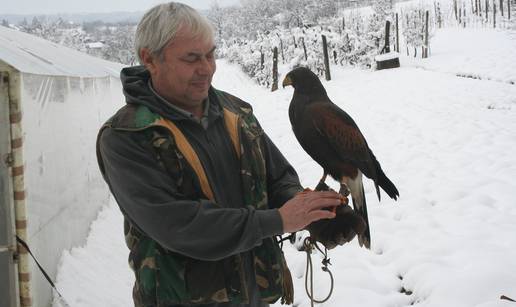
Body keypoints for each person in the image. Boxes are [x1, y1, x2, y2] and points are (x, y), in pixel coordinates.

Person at [96, 2, 346, 307]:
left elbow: (277, 177)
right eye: (191, 58)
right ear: (150, 58)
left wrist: (309, 209)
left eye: (210, 54)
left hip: (253, 293)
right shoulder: (127, 137)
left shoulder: (235, 112)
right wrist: (278, 220)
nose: (207, 68)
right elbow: (181, 226)